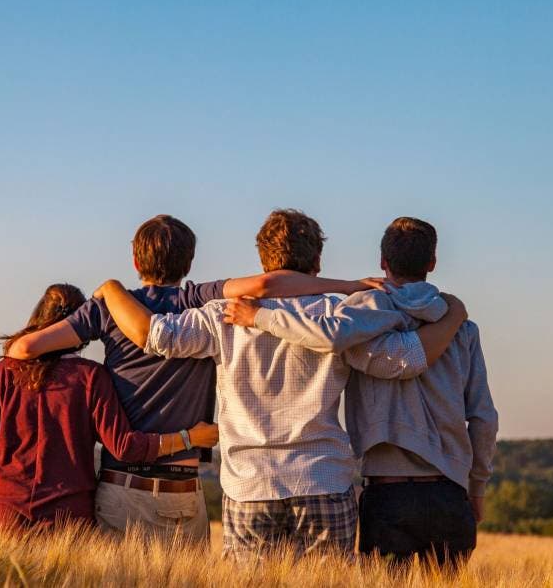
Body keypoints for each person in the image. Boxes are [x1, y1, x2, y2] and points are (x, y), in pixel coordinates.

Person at [93, 209, 468, 559]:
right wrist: (453, 317)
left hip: (250, 486)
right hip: (323, 479)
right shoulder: (339, 315)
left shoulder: (222, 315)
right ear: (317, 263)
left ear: (262, 261)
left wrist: (111, 290)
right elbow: (403, 360)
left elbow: (155, 336)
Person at [3, 214, 386, 543]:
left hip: (123, 485)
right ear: (189, 262)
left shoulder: (108, 308)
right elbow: (267, 286)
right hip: (185, 490)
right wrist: (348, 286)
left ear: (135, 259)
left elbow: (23, 350)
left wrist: (105, 298)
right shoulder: (198, 299)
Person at [224, 217, 498, 570]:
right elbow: (483, 418)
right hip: (450, 492)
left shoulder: (359, 317)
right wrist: (477, 488)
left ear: (383, 262)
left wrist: (260, 317)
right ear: (432, 263)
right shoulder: (462, 328)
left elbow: (330, 336)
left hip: (387, 493)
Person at [0, 283, 219, 536]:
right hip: (67, 523)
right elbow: (124, 447)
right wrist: (189, 438)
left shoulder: (7, 370)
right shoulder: (90, 377)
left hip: (3, 518)